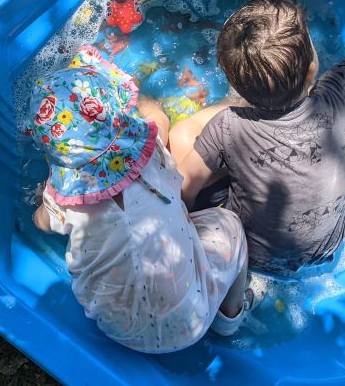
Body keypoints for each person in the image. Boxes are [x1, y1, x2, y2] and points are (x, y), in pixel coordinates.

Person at [169, 0, 345, 274]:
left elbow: (183, 188)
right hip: (325, 247)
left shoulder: (229, 126)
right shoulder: (340, 93)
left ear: (234, 85)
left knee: (183, 134)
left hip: (245, 253)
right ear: (313, 67)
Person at [28, 45, 258, 350]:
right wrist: (151, 108)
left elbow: (41, 222)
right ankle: (229, 317)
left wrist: (41, 204)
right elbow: (159, 130)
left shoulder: (61, 200)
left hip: (116, 327)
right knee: (227, 224)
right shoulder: (153, 159)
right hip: (192, 320)